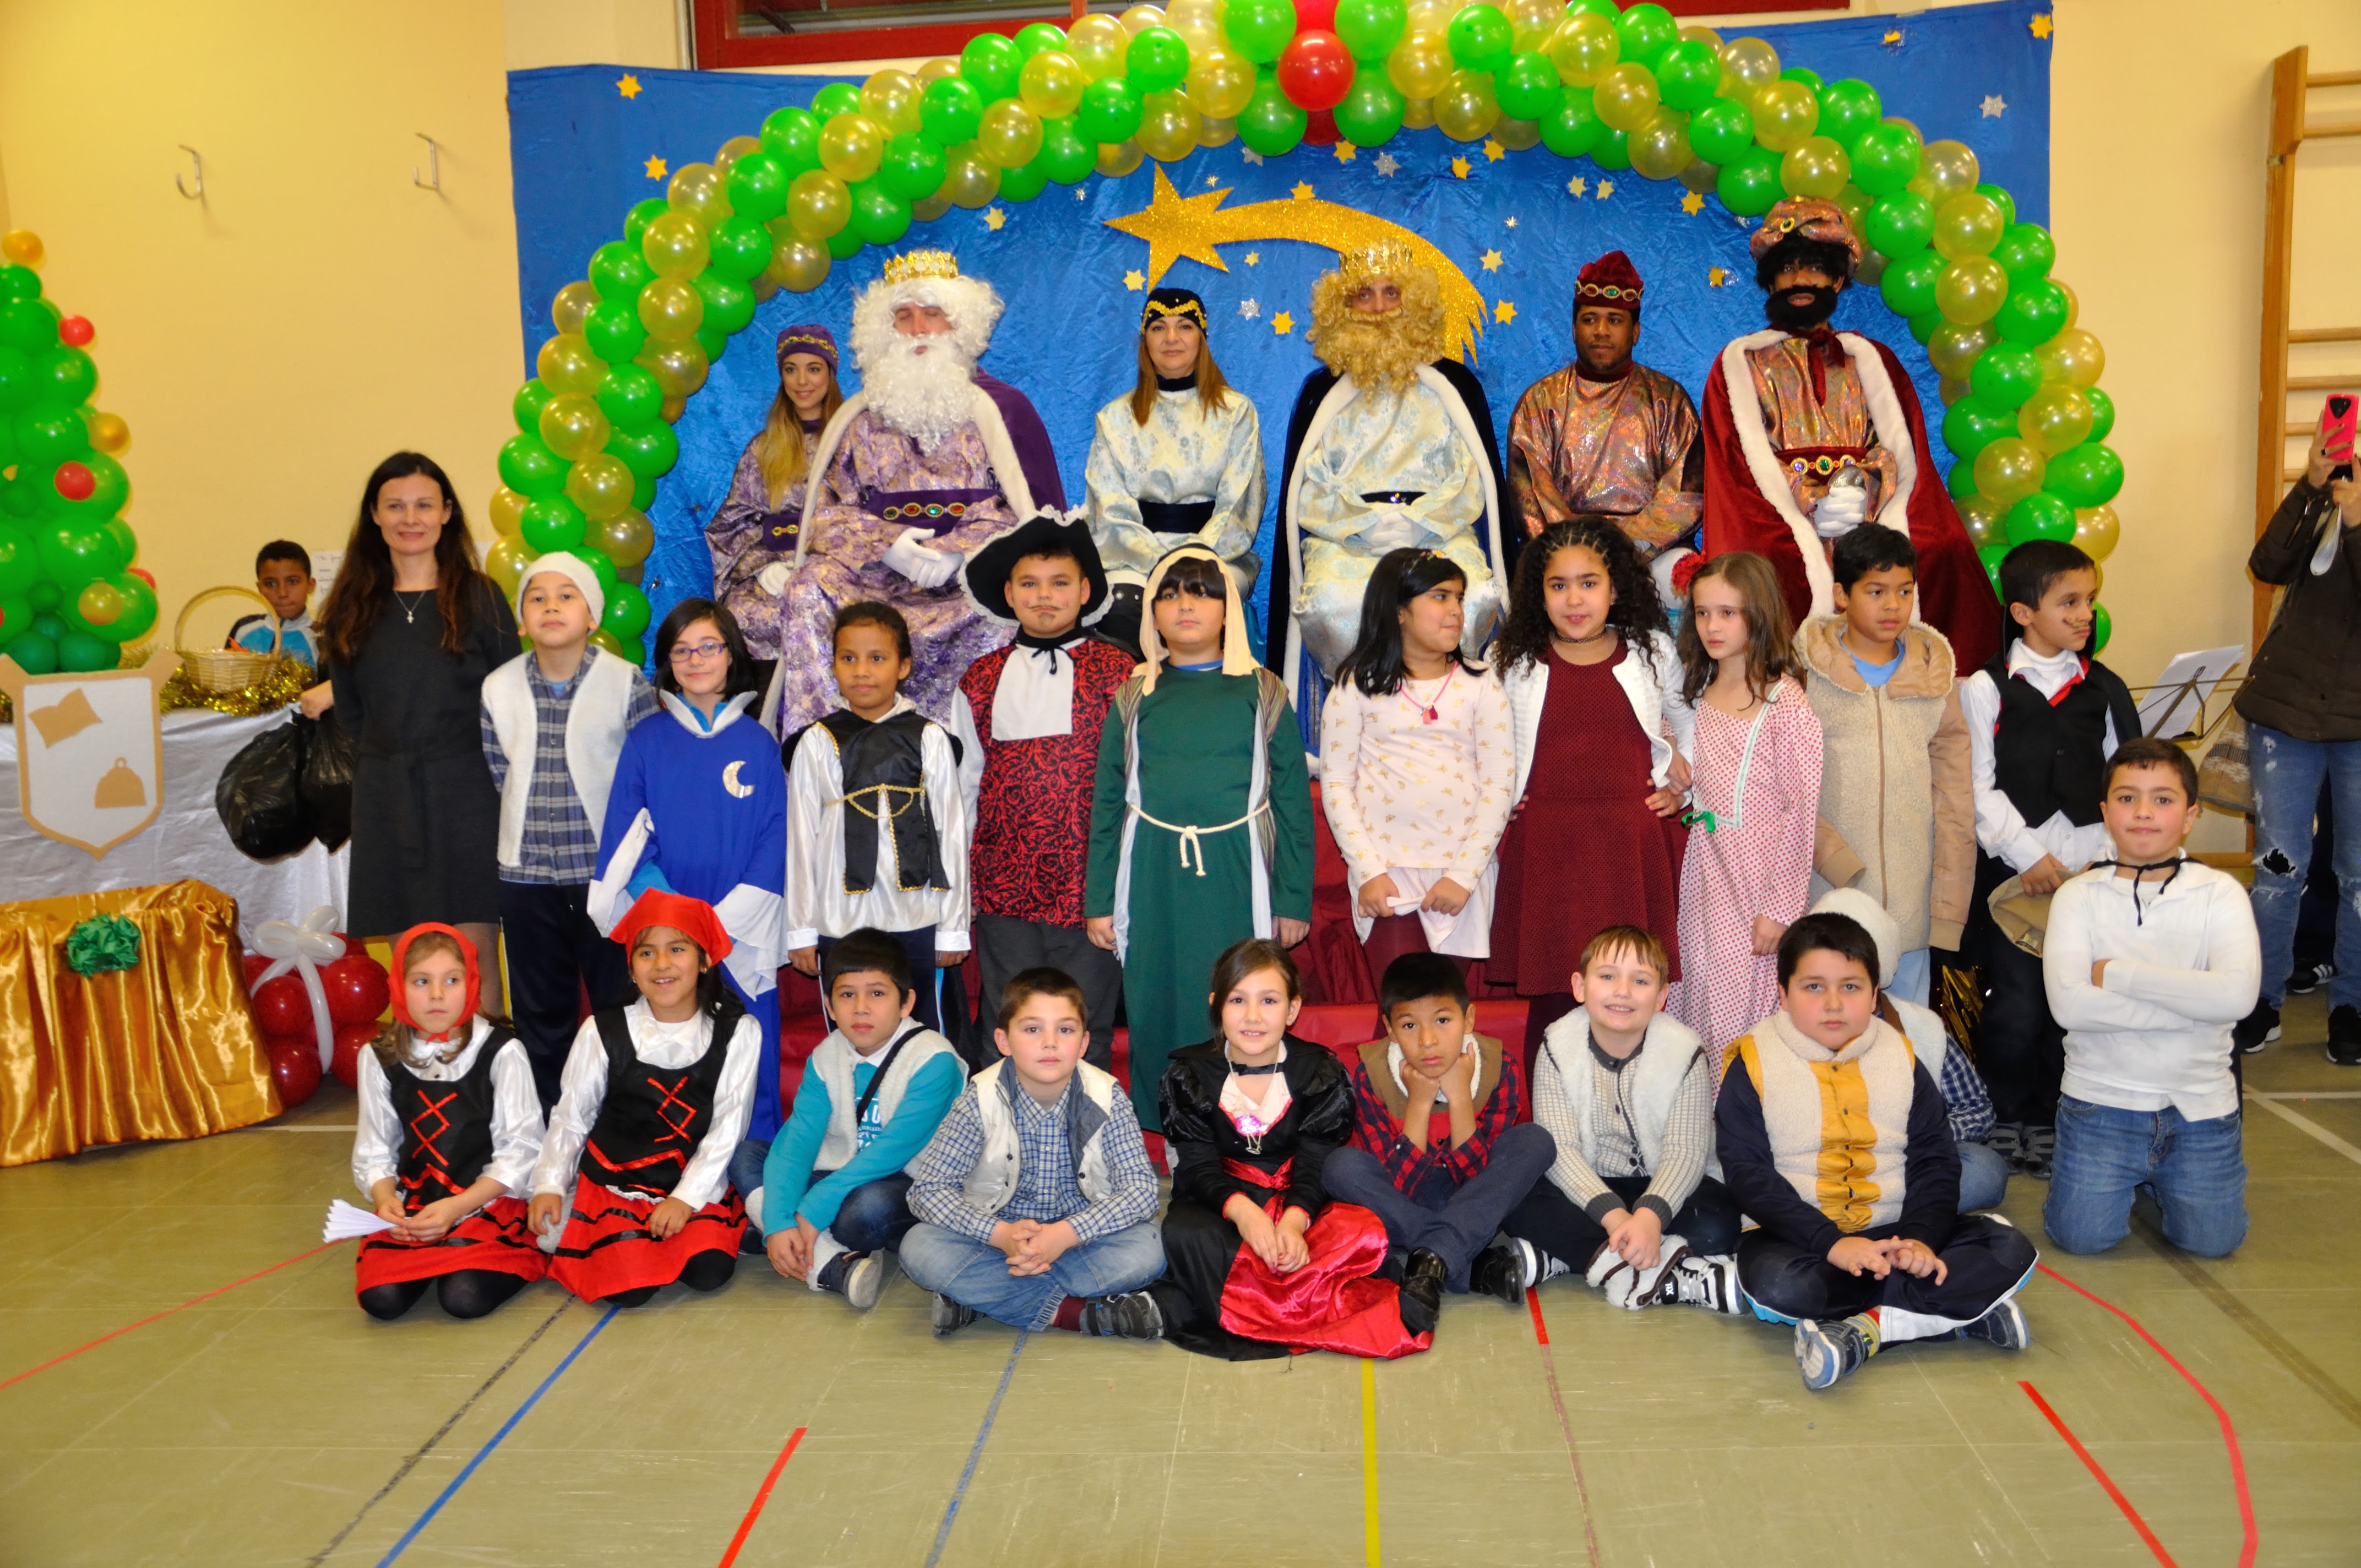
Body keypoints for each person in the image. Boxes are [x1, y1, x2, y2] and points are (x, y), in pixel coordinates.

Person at [1718, 912, 2038, 1390]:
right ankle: (1953, 1314)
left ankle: (1864, 1331)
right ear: (1782, 994)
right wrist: (1833, 1244)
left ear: (1873, 996)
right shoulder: (1751, 1061)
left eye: (1850, 987)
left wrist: (1920, 1240)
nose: (1833, 1004)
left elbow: (1935, 1158)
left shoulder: (1901, 1055)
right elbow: (1749, 1175)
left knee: (2009, 1248)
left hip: (1897, 1230)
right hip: (1801, 1240)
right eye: (1813, 987)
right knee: (1781, 1287)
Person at [762, 250, 1065, 735]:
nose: (919, 329)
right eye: (904, 316)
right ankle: (823, 748)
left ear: (960, 324)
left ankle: (967, 755)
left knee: (1006, 603)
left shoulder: (1005, 410)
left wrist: (960, 554)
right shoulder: (859, 419)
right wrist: (886, 546)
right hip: (873, 583)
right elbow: (824, 514)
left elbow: (1036, 519)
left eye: (933, 313)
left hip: (965, 585)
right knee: (808, 586)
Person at [1697, 197, 1998, 674]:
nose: (1800, 280)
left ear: (1837, 279)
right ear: (1771, 281)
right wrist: (1812, 504)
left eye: (1815, 268)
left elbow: (1905, 450)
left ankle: (1940, 687)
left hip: (1871, 507)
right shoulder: (1740, 363)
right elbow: (1735, 463)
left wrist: (1861, 492)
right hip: (1780, 510)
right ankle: (1783, 692)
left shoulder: (1872, 360)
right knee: (1768, 562)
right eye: (1787, 269)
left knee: (1945, 550)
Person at [1085, 546, 1313, 1133]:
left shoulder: (1262, 690)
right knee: (1155, 997)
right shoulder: (1134, 693)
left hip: (1239, 868)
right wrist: (1100, 899)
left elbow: (1292, 802)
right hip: (1153, 869)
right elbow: (1109, 801)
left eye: (1202, 593)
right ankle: (1166, 1129)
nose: (1185, 605)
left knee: (1239, 994)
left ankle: (1240, 1128)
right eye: (1170, 594)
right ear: (1152, 613)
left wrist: (1292, 899)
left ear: (1228, 609)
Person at [1148, 939, 1439, 1359]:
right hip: (1222, 1202)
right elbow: (1197, 1168)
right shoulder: (1187, 1075)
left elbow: (1317, 1163)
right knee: (1183, 1234)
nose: (1253, 1016)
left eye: (1268, 1001)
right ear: (1216, 1006)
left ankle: (1252, 1304)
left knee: (1366, 1230)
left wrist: (1294, 1222)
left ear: (1292, 1009)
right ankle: (1305, 1307)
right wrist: (1246, 1216)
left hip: (1300, 1197)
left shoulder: (1319, 1071)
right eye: (1237, 1000)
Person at [1269, 242, 1517, 719]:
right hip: (1347, 540)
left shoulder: (1455, 385)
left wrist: (1421, 524)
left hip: (1438, 534)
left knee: (1475, 596)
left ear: (1414, 300)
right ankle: (1361, 721)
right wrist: (1362, 526)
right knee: (1332, 602)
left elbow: (1472, 479)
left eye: (1392, 293)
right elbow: (1309, 487)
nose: (1380, 308)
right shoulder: (1321, 392)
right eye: (1364, 295)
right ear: (1343, 306)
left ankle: (1451, 720)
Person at [1956, 540, 2138, 1177]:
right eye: (2069, 602)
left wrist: (2106, 860)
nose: (2086, 614)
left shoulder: (2103, 688)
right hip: (2018, 882)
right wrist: (2028, 856)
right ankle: (2009, 1115)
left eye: (2090, 600)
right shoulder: (1985, 688)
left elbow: (2126, 780)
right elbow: (1976, 787)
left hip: (2090, 874)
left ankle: (2061, 1116)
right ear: (2023, 612)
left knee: (2075, 1006)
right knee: (2016, 1008)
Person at [2042, 739, 2259, 1256]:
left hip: (2200, 1107)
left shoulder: (2220, 893)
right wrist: (2194, 1007)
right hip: (2101, 1104)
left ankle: (2156, 1182)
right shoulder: (2077, 896)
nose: (2143, 812)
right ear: (2105, 813)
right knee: (2082, 1239)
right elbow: (2070, 1007)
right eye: (2127, 799)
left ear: (2190, 816)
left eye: (2163, 799)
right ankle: (2131, 1180)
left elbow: (2237, 997)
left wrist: (2115, 973)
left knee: (2214, 1243)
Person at [319, 452, 518, 1008]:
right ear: (374, 515)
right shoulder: (351, 606)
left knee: (471, 956)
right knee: (415, 959)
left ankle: (488, 1064)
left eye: (425, 505)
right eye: (396, 506)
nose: (411, 518)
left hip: (469, 793)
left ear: (447, 512)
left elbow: (512, 702)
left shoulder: (481, 597)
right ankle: (425, 1066)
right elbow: (353, 711)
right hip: (388, 794)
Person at [1489, 517, 1691, 1058]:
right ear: (1539, 594)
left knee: (1631, 986)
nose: (1574, 599)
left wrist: (1679, 785)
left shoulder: (1651, 652)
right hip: (1547, 848)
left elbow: (1688, 718)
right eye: (1558, 585)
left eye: (1588, 583)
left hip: (1628, 846)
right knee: (1554, 996)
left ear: (1615, 588)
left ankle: (1635, 1105)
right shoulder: (1512, 661)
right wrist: (1500, 799)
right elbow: (1481, 741)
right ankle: (1551, 1106)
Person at [589, 598, 789, 1138]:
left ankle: (755, 1150)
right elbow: (627, 838)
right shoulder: (645, 741)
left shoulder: (759, 744)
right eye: (681, 650)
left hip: (739, 929)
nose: (696, 659)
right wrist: (678, 921)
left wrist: (722, 921)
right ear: (667, 663)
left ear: (732, 655)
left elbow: (775, 838)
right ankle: (672, 1151)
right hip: (669, 927)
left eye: (708, 647)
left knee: (751, 1040)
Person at [952, 511, 1133, 1070]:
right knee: (1008, 1019)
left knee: (1084, 1022)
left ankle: (1086, 1127)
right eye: (1029, 584)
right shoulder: (979, 678)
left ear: (1085, 591)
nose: (1045, 596)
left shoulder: (1120, 672)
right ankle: (999, 1125)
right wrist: (960, 884)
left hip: (1089, 886)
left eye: (1059, 583)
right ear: (1009, 594)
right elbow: (964, 786)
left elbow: (1135, 782)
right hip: (1003, 882)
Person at [480, 553, 659, 1109]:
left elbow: (646, 778)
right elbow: (500, 771)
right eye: (537, 598)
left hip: (605, 875)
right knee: (540, 1010)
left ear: (592, 615)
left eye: (566, 596)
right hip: (526, 876)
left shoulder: (626, 683)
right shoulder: (498, 687)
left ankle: (622, 1116)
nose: (551, 607)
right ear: (521, 618)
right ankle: (549, 1119)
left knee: (618, 1001)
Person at [902, 966, 1167, 1339]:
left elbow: (1140, 1191)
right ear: (1003, 1041)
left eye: (1065, 1030)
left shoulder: (1106, 1097)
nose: (1050, 1043)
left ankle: (978, 1297)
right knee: (920, 1247)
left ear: (1084, 1043)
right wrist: (1001, 1236)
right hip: (996, 1240)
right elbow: (928, 1191)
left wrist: (1065, 1235)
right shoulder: (979, 1099)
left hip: (1080, 1240)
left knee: (1150, 1249)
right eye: (1032, 1029)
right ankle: (1072, 1313)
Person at [531, 891, 761, 1306]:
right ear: (632, 968)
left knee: (709, 1273)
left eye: (677, 949)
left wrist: (685, 1199)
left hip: (687, 1180)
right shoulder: (602, 1030)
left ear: (704, 960)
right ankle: (578, 1215)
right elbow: (572, 1116)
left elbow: (729, 1126)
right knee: (630, 1291)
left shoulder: (739, 1031)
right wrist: (550, 1182)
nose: (661, 964)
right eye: (646, 953)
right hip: (615, 1183)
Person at [1503, 925, 1744, 1311]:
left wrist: (1650, 1216)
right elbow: (1561, 1148)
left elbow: (1685, 1152)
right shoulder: (1557, 1046)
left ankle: (1567, 1257)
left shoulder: (1685, 1051)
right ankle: (1663, 1273)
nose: (1623, 991)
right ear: (1580, 987)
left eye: (1641, 981)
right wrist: (1615, 1218)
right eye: (1607, 976)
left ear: (1661, 996)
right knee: (1517, 1200)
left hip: (1662, 1183)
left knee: (1719, 1224)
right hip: (1588, 1186)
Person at [734, 928, 964, 1309]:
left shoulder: (934, 1060)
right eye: (846, 995)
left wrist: (811, 1209)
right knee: (747, 1155)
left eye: (877, 994)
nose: (860, 1008)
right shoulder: (827, 1054)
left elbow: (891, 1152)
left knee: (864, 1211)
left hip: (907, 1179)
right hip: (840, 1171)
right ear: (829, 1005)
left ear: (906, 1003)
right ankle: (828, 1262)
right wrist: (778, 1221)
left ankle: (782, 1232)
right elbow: (798, 1141)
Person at [1797, 524, 1972, 1008]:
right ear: (1842, 595)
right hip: (1830, 895)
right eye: (1876, 592)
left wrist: (1948, 906)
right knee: (1832, 1026)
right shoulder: (1804, 676)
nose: (1893, 605)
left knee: (1906, 1032)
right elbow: (1787, 787)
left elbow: (1956, 801)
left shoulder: (1935, 678)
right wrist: (1836, 861)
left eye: (1904, 591)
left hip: (1913, 902)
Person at [1320, 547, 1515, 978]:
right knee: (1403, 1004)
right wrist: (1368, 871)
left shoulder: (1482, 685)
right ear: (1399, 611)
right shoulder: (1356, 686)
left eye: (1459, 598)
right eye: (1440, 597)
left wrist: (1464, 876)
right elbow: (1336, 784)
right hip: (1387, 875)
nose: (1456, 611)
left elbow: (1500, 785)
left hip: (1461, 875)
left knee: (1444, 1006)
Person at [2234, 421, 2361, 1064]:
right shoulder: (2329, 498)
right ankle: (2261, 1000)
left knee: (2358, 874)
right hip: (2285, 713)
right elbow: (2267, 565)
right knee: (2277, 868)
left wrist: (2357, 525)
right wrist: (2310, 486)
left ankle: (2351, 1007)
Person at [1324, 951, 1554, 1304]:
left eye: (1443, 1020)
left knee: (1534, 1141)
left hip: (1474, 1201)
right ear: (1390, 1029)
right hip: (1407, 1204)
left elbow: (1478, 1181)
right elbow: (1400, 1187)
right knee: (1340, 1167)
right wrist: (1419, 1103)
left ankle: (1434, 1254)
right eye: (1409, 1026)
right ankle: (1464, 1261)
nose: (1428, 1040)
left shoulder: (1498, 1066)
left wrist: (1460, 1096)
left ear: (1469, 1018)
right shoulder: (1371, 1074)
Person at [784, 601, 969, 1034]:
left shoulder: (929, 738)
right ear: (833, 665)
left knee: (923, 1034)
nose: (862, 671)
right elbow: (801, 841)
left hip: (919, 918)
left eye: (877, 658)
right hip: (839, 919)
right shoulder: (817, 742)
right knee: (853, 1036)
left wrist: (953, 928)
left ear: (904, 666)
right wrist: (801, 930)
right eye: (848, 659)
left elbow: (952, 835)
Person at [1671, 552, 1823, 1077]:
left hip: (1757, 880)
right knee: (1701, 993)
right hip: (1705, 873)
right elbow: (1689, 772)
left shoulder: (1786, 705)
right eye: (1702, 613)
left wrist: (1781, 908)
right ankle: (1699, 1111)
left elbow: (1801, 814)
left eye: (1728, 613)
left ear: (1758, 614)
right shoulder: (1698, 691)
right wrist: (1675, 783)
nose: (1712, 627)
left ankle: (1743, 1112)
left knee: (1744, 1009)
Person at [350, 924, 546, 1321]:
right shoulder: (378, 1057)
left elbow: (520, 1152)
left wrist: (457, 1208)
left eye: (452, 980)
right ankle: (434, 1253)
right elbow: (375, 1147)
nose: (437, 995)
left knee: (463, 1298)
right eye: (421, 981)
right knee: (381, 1301)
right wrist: (386, 1201)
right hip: (416, 1207)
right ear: (399, 987)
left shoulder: (502, 1051)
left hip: (485, 1201)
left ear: (472, 984)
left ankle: (492, 1255)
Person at [1505, 251, 1703, 593]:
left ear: (1635, 331)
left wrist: (1628, 546)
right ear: (1573, 329)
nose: (1601, 331)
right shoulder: (1540, 402)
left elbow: (1687, 493)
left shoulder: (1668, 400)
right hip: (1564, 550)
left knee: (1681, 576)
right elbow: (1531, 498)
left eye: (1614, 320)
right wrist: (1580, 549)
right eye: (1589, 319)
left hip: (1648, 552)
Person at [1084, 287, 1265, 658]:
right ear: (1145, 340)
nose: (1171, 338)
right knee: (1120, 605)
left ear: (1202, 337)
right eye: (1158, 328)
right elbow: (1109, 508)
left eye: (1184, 326)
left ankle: (1203, 693)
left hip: (1216, 555)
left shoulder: (1236, 413)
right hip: (1134, 557)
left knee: (1203, 600)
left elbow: (1240, 502)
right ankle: (1138, 694)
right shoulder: (1115, 418)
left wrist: (1193, 558)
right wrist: (1157, 560)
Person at [1813, 888, 2009, 1215]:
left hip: (1908, 1161)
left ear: (1877, 973)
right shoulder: (1787, 1029)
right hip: (1822, 1167)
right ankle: (1888, 1211)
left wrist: (1920, 1136)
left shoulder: (1922, 1027)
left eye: (1850, 981)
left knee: (1985, 1170)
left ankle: (1867, 1211)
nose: (1837, 995)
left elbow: (1977, 1109)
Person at [706, 325, 844, 656]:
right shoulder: (764, 449)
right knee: (744, 614)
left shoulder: (854, 440)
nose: (802, 381)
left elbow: (871, 517)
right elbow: (730, 526)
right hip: (774, 570)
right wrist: (763, 566)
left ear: (830, 374)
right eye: (791, 369)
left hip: (838, 569)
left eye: (814, 369)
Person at [230, 541, 321, 668]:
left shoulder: (322, 639)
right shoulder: (243, 630)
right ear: (260, 588)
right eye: (271, 584)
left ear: (310, 585)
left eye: (293, 582)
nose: (282, 593)